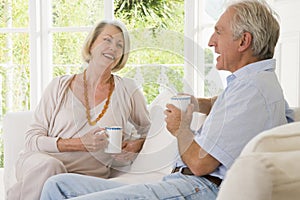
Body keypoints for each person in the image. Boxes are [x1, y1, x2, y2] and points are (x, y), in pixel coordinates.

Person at [40, 0, 289, 199]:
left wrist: (180, 128)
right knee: (58, 185)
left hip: (200, 187)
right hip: (185, 182)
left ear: (244, 41)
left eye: (219, 32)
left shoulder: (251, 90)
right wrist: (199, 103)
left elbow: (200, 164)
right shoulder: (254, 84)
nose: (212, 42)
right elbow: (227, 105)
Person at [7, 19, 151, 200]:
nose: (113, 48)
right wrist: (80, 143)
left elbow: (149, 130)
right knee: (51, 167)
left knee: (58, 179)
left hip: (87, 176)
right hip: (41, 162)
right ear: (91, 45)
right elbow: (32, 139)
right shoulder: (59, 86)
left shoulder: (128, 90)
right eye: (107, 40)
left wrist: (135, 145)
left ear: (122, 56)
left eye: (119, 45)